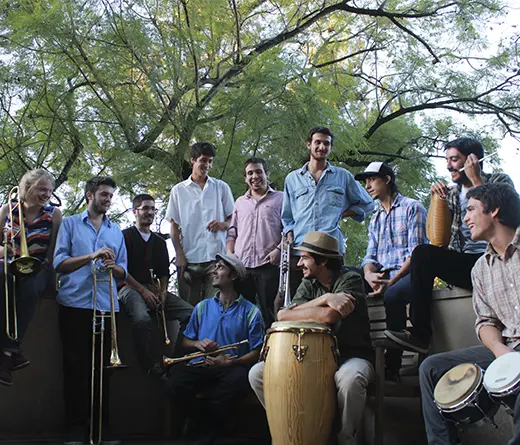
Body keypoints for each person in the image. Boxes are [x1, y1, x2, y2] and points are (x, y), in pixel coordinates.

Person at [385, 137, 514, 353]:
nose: (448, 166)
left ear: (473, 160)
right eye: (447, 160)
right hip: (467, 263)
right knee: (423, 254)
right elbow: (439, 241)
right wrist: (438, 201)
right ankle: (420, 335)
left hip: (497, 259)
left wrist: (476, 181)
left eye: (454, 160)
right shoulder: (453, 194)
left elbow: (505, 215)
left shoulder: (500, 181)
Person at [249, 231, 374, 445]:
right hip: (313, 359)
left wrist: (309, 309)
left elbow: (329, 317)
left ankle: (345, 438)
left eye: (305, 258)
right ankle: (291, 427)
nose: (299, 264)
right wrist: (325, 298)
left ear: (323, 260)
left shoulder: (350, 279)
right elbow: (283, 314)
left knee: (350, 379)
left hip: (350, 356)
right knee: (258, 373)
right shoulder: (309, 284)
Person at [419, 182, 520, 445]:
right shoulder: (480, 270)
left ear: (495, 210)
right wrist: (500, 351)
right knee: (431, 368)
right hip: (507, 347)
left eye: (471, 209)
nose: (465, 218)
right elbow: (486, 321)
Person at [54, 176, 128, 445]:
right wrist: (92, 256)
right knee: (75, 370)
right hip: (75, 304)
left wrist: (113, 266)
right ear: (90, 195)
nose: (108, 200)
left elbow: (123, 272)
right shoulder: (71, 224)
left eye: (111, 196)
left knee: (104, 370)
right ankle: (75, 428)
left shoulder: (116, 231)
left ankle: (102, 426)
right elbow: (59, 263)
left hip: (107, 306)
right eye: (104, 195)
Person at [166, 253, 264, 445]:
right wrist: (197, 344)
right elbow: (186, 340)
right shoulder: (201, 307)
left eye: (220, 267)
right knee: (174, 383)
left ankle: (205, 428)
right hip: (199, 364)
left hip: (230, 367)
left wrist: (231, 361)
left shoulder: (252, 311)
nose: (214, 271)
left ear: (234, 276)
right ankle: (208, 423)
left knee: (238, 382)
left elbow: (257, 351)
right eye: (215, 267)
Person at [355, 162, 428, 381]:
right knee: (349, 279)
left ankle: (392, 365)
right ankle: (360, 353)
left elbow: (417, 255)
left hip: (409, 274)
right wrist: (369, 274)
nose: (368, 185)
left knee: (393, 295)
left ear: (387, 180)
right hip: (384, 275)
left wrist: (392, 280)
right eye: (366, 180)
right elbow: (370, 257)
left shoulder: (412, 207)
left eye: (372, 179)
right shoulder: (375, 218)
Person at [281, 126, 374, 294]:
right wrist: (289, 235)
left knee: (334, 298)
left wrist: (344, 213)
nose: (322, 147)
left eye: (327, 143)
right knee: (299, 301)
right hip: (300, 250)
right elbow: (287, 217)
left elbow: (368, 204)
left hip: (331, 251)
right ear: (308, 144)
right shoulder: (292, 179)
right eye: (318, 142)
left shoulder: (343, 176)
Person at [118, 194, 193, 377]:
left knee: (191, 313)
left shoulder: (159, 242)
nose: (150, 212)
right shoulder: (124, 236)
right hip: (130, 287)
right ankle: (150, 364)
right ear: (135, 211)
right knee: (142, 319)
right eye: (145, 208)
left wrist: (164, 293)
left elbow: (164, 273)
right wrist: (143, 291)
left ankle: (176, 360)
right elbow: (121, 271)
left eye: (153, 209)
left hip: (155, 288)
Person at [0, 169, 62, 386]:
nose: (47, 194)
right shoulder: (7, 209)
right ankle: (9, 351)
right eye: (42, 189)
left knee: (31, 287)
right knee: (2, 278)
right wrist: (4, 252)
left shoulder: (54, 214)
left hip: (39, 267)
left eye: (50, 190)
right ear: (28, 188)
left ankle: (10, 349)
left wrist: (52, 279)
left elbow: (54, 250)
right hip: (8, 264)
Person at [165, 142, 234, 306]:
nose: (207, 165)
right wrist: (179, 254)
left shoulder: (221, 187)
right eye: (203, 160)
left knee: (215, 308)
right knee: (189, 311)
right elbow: (174, 227)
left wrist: (222, 225)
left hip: (216, 259)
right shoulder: (178, 190)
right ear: (192, 160)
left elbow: (234, 219)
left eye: (210, 161)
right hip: (189, 260)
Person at [226, 157, 283, 327]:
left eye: (259, 171)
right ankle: (246, 351)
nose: (254, 176)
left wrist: (279, 250)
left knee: (269, 312)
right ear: (245, 178)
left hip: (268, 265)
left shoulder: (281, 199)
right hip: (242, 267)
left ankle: (272, 351)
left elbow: (290, 230)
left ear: (267, 174)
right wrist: (230, 254)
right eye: (250, 173)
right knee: (242, 314)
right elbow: (232, 231)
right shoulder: (240, 203)